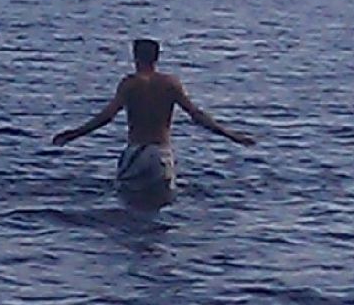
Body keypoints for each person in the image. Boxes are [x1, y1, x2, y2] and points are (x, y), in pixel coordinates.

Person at [52, 39, 254, 199]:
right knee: (162, 202)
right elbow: (197, 115)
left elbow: (107, 116)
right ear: (157, 57)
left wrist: (74, 134)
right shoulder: (170, 84)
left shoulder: (130, 84)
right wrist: (232, 135)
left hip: (137, 152)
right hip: (161, 155)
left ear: (135, 56)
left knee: (129, 202)